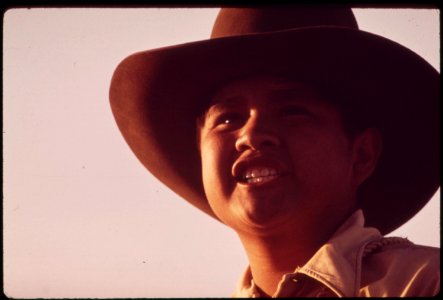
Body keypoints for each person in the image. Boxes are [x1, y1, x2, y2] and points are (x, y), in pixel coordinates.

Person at [109, 6, 440, 297]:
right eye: (228, 119)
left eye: (293, 111)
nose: (252, 135)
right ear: (201, 152)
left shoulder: (424, 283)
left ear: (362, 155)